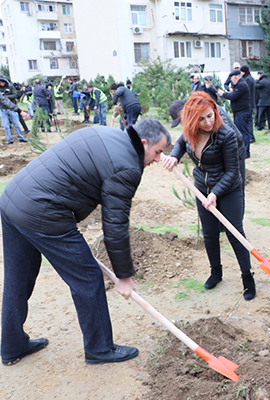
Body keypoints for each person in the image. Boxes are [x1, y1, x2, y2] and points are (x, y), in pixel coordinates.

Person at [0, 118, 170, 366]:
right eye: (157, 152)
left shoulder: (105, 133)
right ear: (144, 143)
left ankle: (11, 346)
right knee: (88, 276)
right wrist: (123, 275)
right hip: (42, 211)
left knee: (18, 277)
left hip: (13, 199)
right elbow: (114, 225)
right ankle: (100, 348)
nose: (158, 159)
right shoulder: (126, 167)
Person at [162, 92, 255, 300]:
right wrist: (174, 157)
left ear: (215, 111)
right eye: (201, 118)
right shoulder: (190, 131)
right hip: (201, 189)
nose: (207, 122)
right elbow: (179, 144)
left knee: (234, 233)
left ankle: (247, 277)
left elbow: (232, 172)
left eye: (210, 116)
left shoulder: (226, 134)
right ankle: (216, 272)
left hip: (228, 189)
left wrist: (215, 193)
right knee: (210, 233)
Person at [218, 69, 252, 158]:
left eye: (232, 79)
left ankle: (246, 152)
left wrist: (223, 94)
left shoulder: (242, 85)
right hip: (239, 112)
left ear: (235, 77)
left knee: (243, 132)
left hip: (242, 112)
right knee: (240, 132)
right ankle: (242, 151)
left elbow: (233, 96)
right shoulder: (239, 85)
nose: (231, 81)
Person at [0, 76, 28, 144]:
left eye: (2, 82)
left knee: (16, 124)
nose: (1, 83)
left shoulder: (10, 86)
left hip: (12, 108)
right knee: (6, 125)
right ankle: (10, 139)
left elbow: (14, 95)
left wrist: (7, 97)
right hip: (3, 109)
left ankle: (20, 137)